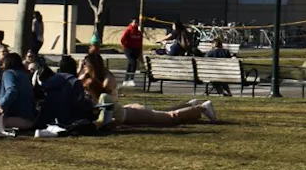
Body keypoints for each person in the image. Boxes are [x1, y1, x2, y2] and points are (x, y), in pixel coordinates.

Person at [78, 50, 216, 126]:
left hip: (129, 114)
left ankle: (202, 108)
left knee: (169, 118)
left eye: (85, 65)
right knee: (161, 114)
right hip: (127, 110)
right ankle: (190, 104)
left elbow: (106, 100)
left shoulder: (105, 82)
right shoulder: (98, 79)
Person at [0, 52, 37, 131]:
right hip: (28, 118)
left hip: (14, 118)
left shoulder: (8, 73)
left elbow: (12, 90)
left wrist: (1, 105)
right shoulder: (24, 75)